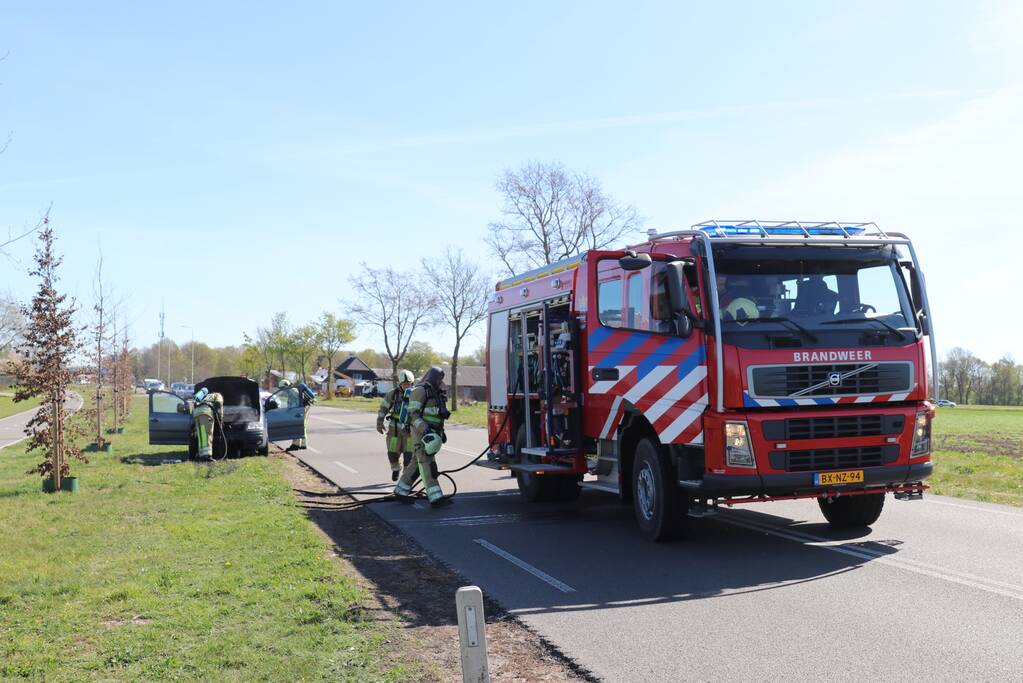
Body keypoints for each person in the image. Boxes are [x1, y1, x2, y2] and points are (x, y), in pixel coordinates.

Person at [393, 366, 451, 507]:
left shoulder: (435, 392)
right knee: (427, 462)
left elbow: (437, 416)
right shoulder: (420, 391)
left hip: (432, 433)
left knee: (416, 463)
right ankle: (435, 497)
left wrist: (440, 433)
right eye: (439, 378)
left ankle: (400, 491)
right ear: (433, 377)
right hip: (421, 433)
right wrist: (425, 431)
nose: (440, 381)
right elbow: (414, 415)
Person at [376, 370, 415, 481]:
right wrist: (379, 421)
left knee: (409, 455)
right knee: (393, 452)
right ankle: (396, 468)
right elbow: (384, 407)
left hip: (410, 431)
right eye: (404, 384)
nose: (407, 386)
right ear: (400, 384)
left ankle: (406, 478)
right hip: (395, 430)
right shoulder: (393, 394)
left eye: (409, 384)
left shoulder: (417, 395)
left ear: (412, 383)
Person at [193, 389, 223, 460]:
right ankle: (208, 456)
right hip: (206, 413)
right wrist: (220, 419)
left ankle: (201, 455)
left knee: (202, 435)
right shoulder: (218, 395)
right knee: (208, 434)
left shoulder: (205, 396)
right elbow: (219, 405)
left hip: (197, 413)